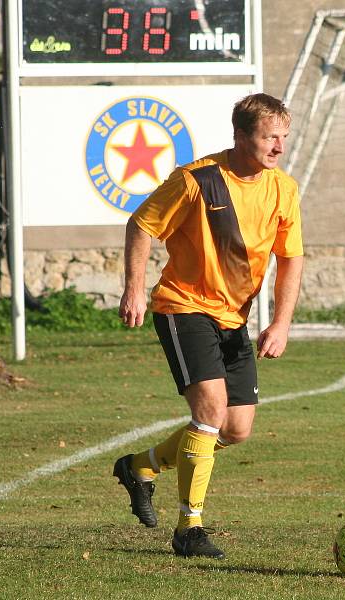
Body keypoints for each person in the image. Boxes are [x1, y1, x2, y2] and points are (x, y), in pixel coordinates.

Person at [113, 93, 303, 559]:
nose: (278, 146)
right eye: (267, 137)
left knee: (236, 428)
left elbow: (291, 258)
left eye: (282, 136)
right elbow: (141, 225)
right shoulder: (196, 180)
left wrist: (281, 322)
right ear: (240, 136)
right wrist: (134, 289)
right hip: (184, 306)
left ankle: (141, 467)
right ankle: (189, 528)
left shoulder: (283, 189)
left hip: (233, 318)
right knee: (211, 409)